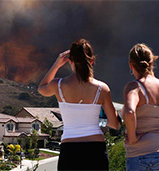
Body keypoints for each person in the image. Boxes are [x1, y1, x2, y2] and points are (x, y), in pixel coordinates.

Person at [38, 39, 120, 170]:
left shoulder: (58, 85)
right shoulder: (102, 88)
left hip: (70, 150)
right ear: (92, 61)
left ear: (69, 61)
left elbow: (41, 88)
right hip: (95, 149)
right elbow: (114, 124)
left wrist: (57, 64)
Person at [122, 44, 159, 171]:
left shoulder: (134, 87)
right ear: (152, 63)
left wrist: (132, 138)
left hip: (143, 154)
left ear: (131, 65)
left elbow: (130, 112)